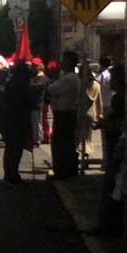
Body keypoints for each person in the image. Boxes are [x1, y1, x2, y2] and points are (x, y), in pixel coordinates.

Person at [89, 64, 126, 236]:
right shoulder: (120, 97)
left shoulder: (121, 99)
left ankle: (107, 225)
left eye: (112, 78)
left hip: (118, 148)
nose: (109, 81)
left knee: (111, 187)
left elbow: (119, 126)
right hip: (118, 148)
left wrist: (103, 124)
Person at [47, 51, 80, 179]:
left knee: (61, 144)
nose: (62, 63)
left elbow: (52, 88)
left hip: (64, 114)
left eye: (64, 60)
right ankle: (67, 170)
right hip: (68, 113)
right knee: (67, 143)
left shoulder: (69, 78)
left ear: (70, 62)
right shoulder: (71, 77)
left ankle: (62, 171)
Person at [2, 63, 35, 185]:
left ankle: (10, 174)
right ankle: (12, 174)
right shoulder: (24, 84)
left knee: (11, 148)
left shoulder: (11, 83)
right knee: (16, 149)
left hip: (10, 118)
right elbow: (29, 101)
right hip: (20, 119)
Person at [29, 58, 48, 146]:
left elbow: (36, 87)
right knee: (33, 123)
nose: (33, 67)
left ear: (40, 67)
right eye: (32, 65)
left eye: (35, 66)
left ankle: (37, 140)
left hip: (37, 103)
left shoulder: (43, 78)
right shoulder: (32, 77)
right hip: (31, 103)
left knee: (37, 123)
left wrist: (28, 85)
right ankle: (33, 139)